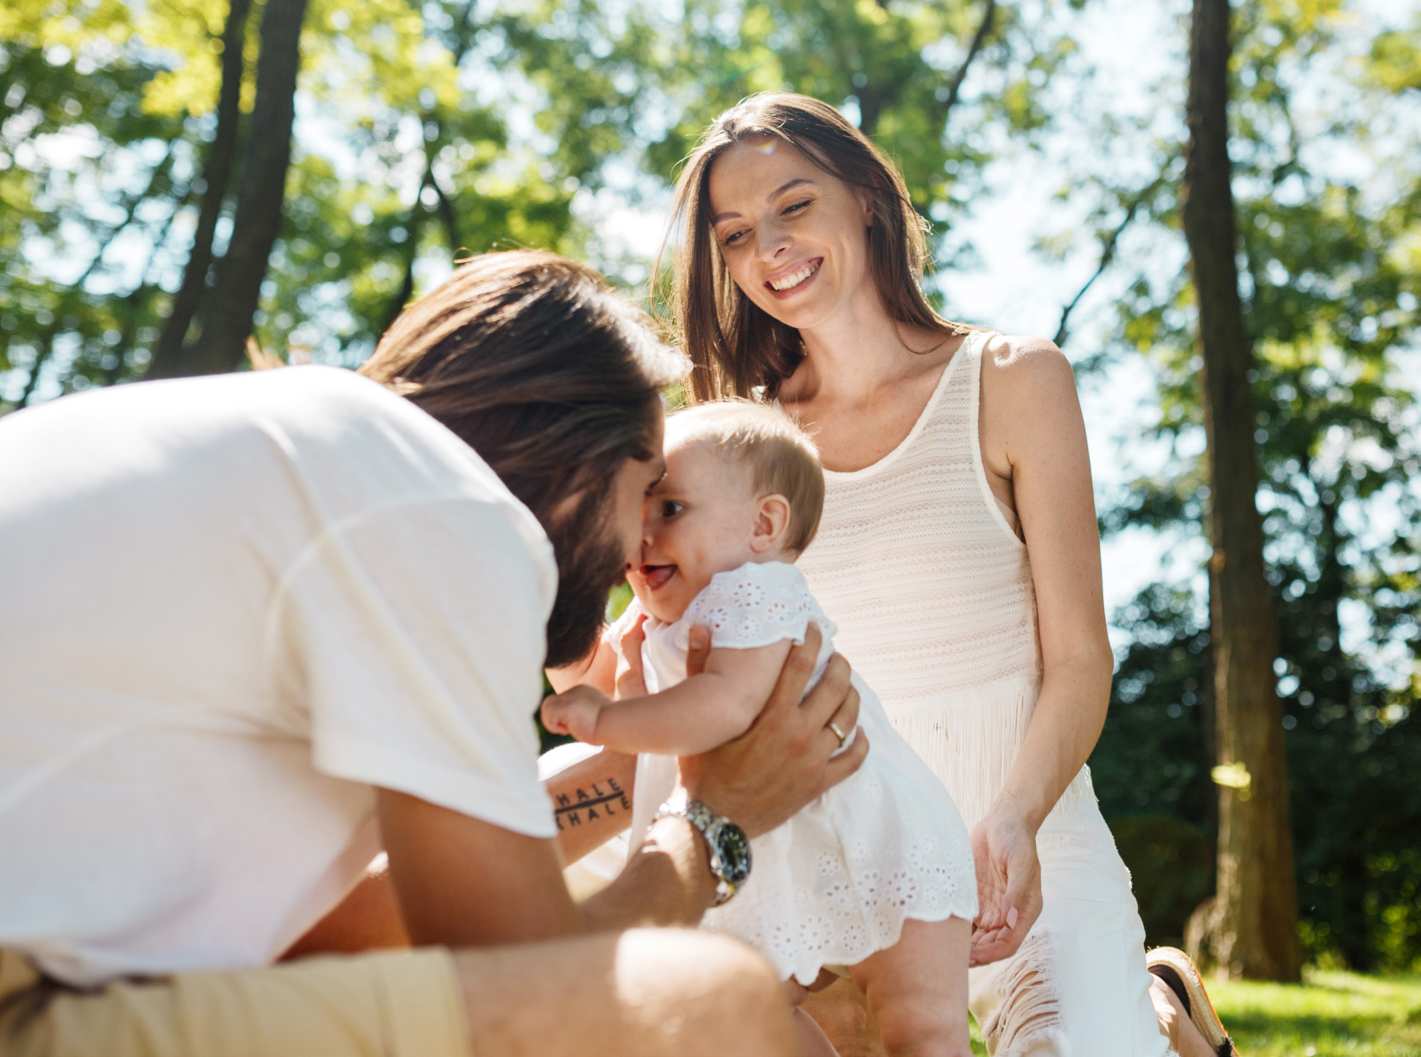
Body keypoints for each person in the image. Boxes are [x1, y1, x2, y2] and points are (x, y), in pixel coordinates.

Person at [0, 250, 868, 1057]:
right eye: (648, 493)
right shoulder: (449, 512)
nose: (639, 549)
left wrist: (633, 773)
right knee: (712, 997)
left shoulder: (323, 463)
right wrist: (716, 821)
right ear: (578, 456)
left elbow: (330, 939)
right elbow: (537, 970)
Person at [662, 93, 1239, 1057]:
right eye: (734, 233)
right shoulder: (737, 440)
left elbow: (1080, 660)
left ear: (866, 201)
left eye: (794, 206)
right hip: (839, 868)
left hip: (1027, 840)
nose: (769, 246)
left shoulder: (1014, 380)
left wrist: (1013, 817)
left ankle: (1150, 1009)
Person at [543, 400, 978, 1057]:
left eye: (669, 508)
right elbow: (586, 673)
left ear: (763, 525)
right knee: (745, 1008)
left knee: (918, 1026)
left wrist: (607, 720)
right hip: (772, 843)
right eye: (633, 513)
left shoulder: (757, 592)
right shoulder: (656, 611)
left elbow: (725, 704)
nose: (642, 535)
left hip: (881, 838)